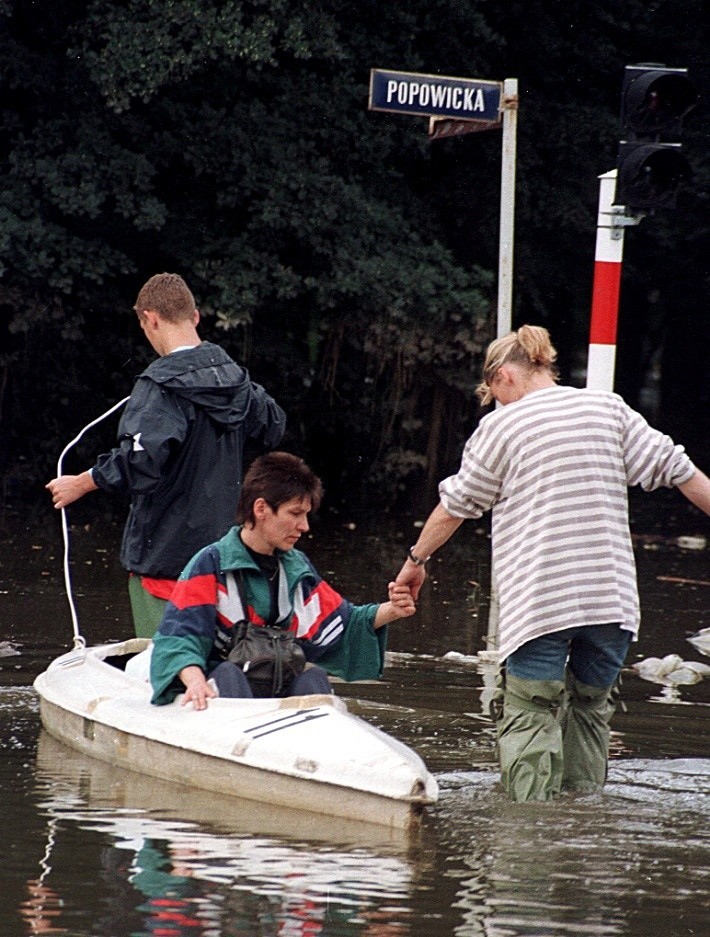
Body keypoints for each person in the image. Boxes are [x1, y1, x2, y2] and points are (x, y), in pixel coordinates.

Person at [395, 325, 710, 802]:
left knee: (529, 714)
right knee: (589, 714)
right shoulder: (608, 408)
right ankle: (584, 823)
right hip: (611, 601)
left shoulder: (503, 426)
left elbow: (457, 505)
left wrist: (416, 560)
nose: (494, 404)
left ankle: (530, 841)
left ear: (504, 377)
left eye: (492, 394)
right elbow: (682, 472)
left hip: (541, 603)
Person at [46, 273, 286, 638]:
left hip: (165, 560)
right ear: (196, 317)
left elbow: (141, 462)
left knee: (166, 667)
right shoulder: (236, 381)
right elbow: (273, 425)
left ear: (151, 318)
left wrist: (81, 482)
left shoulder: (158, 387)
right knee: (219, 662)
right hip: (227, 559)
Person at [150, 451, 416, 708]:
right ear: (261, 508)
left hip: (276, 687)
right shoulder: (209, 564)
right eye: (295, 513)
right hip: (222, 689)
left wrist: (394, 609)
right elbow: (178, 637)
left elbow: (345, 623)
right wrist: (195, 681)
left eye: (306, 515)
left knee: (313, 678)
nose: (304, 526)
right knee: (231, 675)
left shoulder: (297, 567)